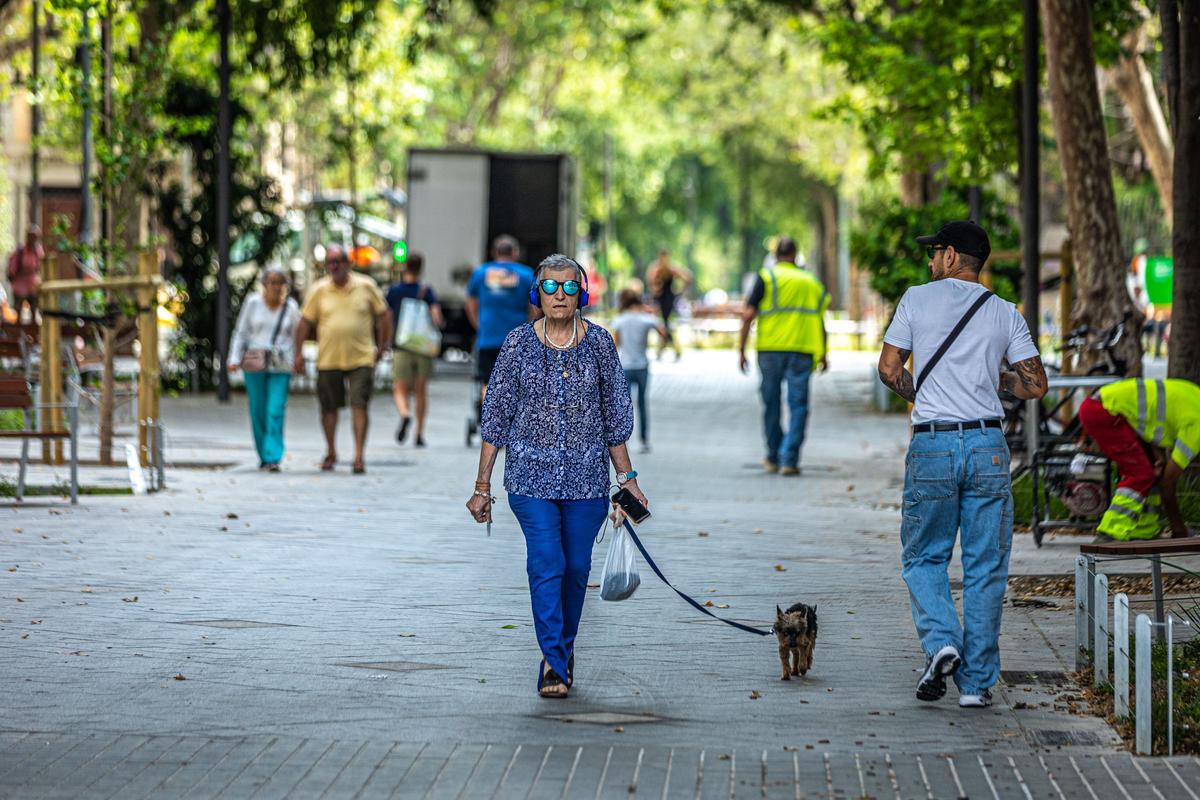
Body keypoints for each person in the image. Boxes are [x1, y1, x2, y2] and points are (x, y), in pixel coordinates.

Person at [877, 220, 1047, 709]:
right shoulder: (1004, 313)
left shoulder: (916, 299)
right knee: (986, 567)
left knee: (924, 556)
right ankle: (975, 686)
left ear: (952, 257)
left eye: (934, 252)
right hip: (988, 447)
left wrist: (923, 395)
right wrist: (993, 384)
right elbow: (1035, 385)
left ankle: (941, 642)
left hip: (932, 445)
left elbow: (890, 369)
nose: (930, 261)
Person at [465, 254, 644, 699]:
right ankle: (552, 660)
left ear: (581, 294)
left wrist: (628, 479)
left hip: (586, 482)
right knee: (548, 562)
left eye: (568, 288)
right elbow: (496, 417)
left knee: (577, 568)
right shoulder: (517, 345)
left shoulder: (600, 344)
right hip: (530, 480)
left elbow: (614, 418)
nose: (559, 296)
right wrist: (482, 486)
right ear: (536, 294)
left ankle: (561, 650)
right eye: (550, 288)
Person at [293, 244, 391, 474]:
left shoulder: (366, 286)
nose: (334, 266)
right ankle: (331, 451)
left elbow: (384, 315)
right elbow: (304, 322)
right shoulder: (319, 289)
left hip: (362, 357)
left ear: (349, 263)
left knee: (360, 405)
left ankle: (358, 456)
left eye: (339, 261)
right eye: (331, 262)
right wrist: (297, 353)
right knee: (328, 408)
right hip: (329, 358)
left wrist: (383, 345)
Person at [738, 236, 830, 476]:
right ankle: (789, 458)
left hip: (770, 349)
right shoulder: (811, 281)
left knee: (771, 403)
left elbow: (748, 314)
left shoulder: (766, 277)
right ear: (795, 254)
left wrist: (740, 350)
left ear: (776, 254)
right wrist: (824, 353)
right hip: (803, 349)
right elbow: (820, 318)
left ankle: (773, 455)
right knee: (799, 406)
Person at [1078, 378, 1200, 540]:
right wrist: (1178, 529)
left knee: (1152, 471)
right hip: (1103, 411)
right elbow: (1168, 484)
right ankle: (1110, 532)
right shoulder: (1196, 428)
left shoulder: (1195, 395)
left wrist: (1159, 459)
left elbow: (1154, 423)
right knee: (1140, 475)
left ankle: (1144, 529)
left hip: (1103, 406)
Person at [228, 268, 301, 471]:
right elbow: (241, 333)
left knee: (275, 409)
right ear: (264, 285)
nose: (276, 287)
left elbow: (297, 336)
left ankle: (273, 455)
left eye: (280, 282)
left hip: (281, 365)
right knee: (258, 409)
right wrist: (234, 358)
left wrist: (298, 358)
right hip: (256, 362)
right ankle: (262, 452)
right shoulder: (253, 303)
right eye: (272, 282)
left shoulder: (291, 307)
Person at [466, 235, 537, 394]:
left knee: (487, 381)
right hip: (517, 339)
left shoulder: (481, 273)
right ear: (515, 253)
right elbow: (535, 307)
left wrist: (478, 324)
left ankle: (489, 415)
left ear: (494, 252)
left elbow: (470, 303)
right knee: (515, 382)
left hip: (488, 337)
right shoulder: (526, 274)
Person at [386, 253, 444, 447]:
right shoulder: (426, 291)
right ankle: (419, 433)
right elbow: (437, 319)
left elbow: (386, 317)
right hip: (422, 347)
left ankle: (405, 413)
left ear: (405, 267)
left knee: (400, 388)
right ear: (421, 269)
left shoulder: (394, 291)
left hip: (401, 345)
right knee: (420, 391)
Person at [612, 288, 666, 453]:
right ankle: (644, 440)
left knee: (624, 405)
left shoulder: (619, 320)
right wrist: (660, 348)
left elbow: (615, 345)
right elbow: (664, 333)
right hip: (642, 366)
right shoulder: (647, 319)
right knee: (642, 404)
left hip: (625, 367)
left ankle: (623, 438)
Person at [646, 248, 692, 360]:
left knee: (666, 324)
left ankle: (664, 349)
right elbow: (651, 282)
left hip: (667, 298)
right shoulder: (659, 268)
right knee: (663, 324)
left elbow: (687, 278)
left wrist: (680, 291)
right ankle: (667, 349)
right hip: (662, 299)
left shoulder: (669, 268)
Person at [7, 225, 43, 322]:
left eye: (36, 237)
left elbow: (41, 266)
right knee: (18, 311)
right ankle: (17, 331)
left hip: (33, 285)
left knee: (34, 309)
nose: (33, 239)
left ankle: (33, 331)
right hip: (20, 285)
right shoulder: (20, 251)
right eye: (31, 236)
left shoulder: (38, 250)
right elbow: (12, 267)